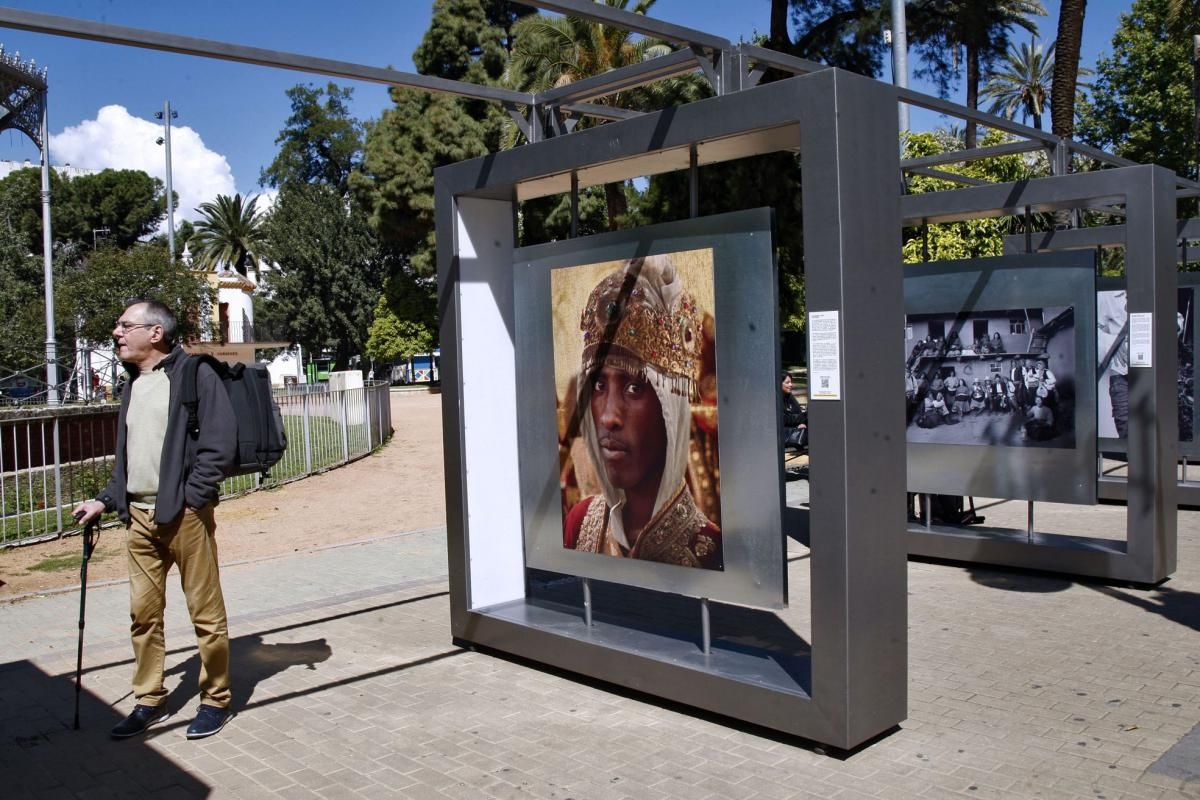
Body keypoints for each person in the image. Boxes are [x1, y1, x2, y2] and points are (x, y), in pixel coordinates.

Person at [73, 301, 237, 740]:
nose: (116, 332)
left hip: (185, 517)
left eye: (125, 325)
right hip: (139, 519)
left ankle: (216, 699)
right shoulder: (133, 385)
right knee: (143, 615)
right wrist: (106, 500)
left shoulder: (195, 374)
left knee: (206, 614)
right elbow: (129, 456)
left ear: (156, 333)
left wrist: (191, 500)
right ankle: (150, 699)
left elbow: (219, 445)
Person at [562, 256, 722, 570]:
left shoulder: (711, 550)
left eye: (634, 387)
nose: (609, 417)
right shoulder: (580, 523)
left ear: (670, 408)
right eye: (598, 385)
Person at [781, 372, 808, 451]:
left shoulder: (789, 396)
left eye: (791, 382)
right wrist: (803, 419)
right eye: (787, 382)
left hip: (795, 430)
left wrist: (802, 422)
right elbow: (783, 419)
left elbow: (797, 413)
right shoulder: (775, 399)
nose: (791, 385)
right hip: (784, 434)